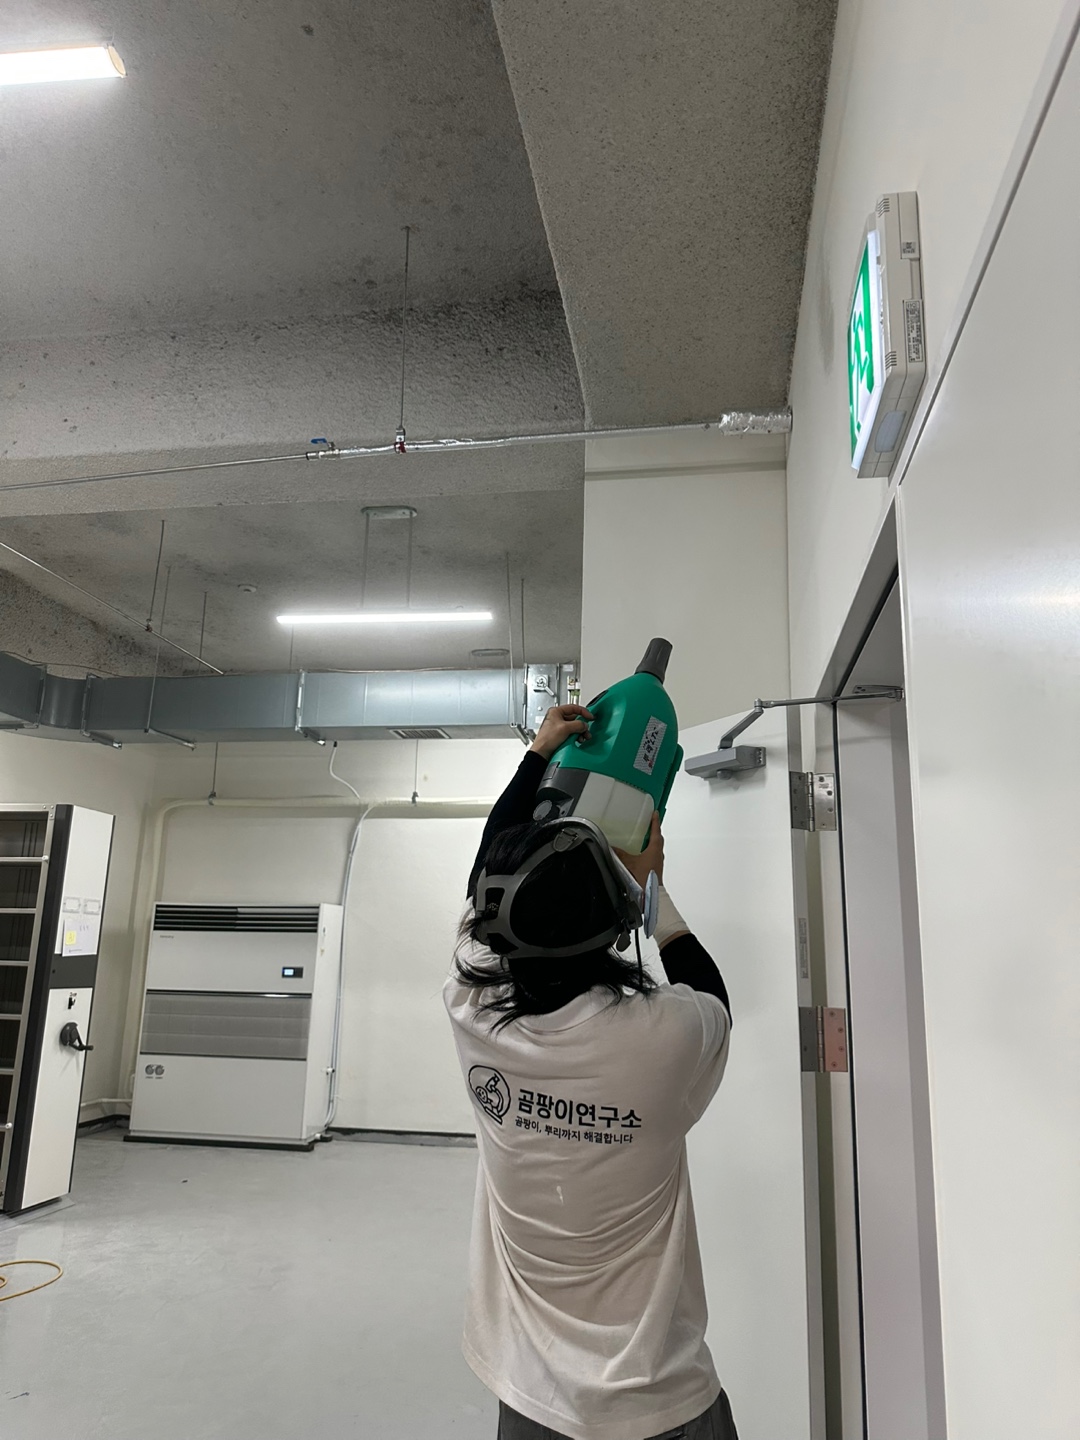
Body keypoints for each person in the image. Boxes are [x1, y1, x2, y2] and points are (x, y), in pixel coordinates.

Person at [443, 703, 738, 1440]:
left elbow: (486, 873)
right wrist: (653, 886)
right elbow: (713, 997)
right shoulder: (662, 1036)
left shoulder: (472, 1008)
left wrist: (537, 757)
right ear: (617, 923)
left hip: (532, 1398)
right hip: (662, 1401)